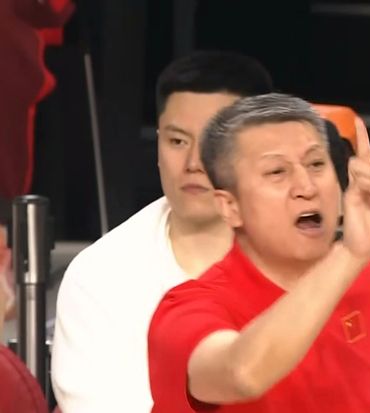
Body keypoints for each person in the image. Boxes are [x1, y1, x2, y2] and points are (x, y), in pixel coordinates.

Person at [147, 93, 370, 412]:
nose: (307, 187)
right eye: (277, 172)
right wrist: (350, 254)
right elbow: (243, 374)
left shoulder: (359, 277)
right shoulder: (185, 312)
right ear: (230, 207)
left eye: (316, 164)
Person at [50, 50, 273, 412]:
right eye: (177, 141)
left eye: (215, 144)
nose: (193, 163)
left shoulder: (308, 266)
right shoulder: (99, 276)